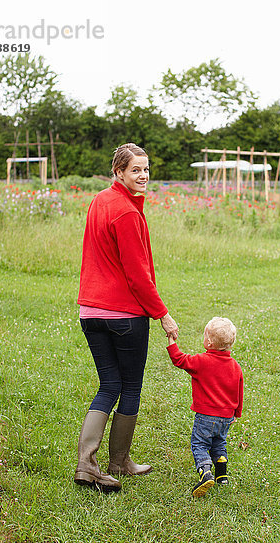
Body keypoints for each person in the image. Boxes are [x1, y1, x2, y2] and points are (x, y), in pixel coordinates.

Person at [75, 142, 179, 493]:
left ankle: (86, 464)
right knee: (129, 386)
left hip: (90, 311)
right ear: (118, 172)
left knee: (109, 385)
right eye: (136, 169)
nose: (144, 175)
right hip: (123, 315)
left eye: (146, 169)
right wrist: (163, 315)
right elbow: (137, 276)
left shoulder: (100, 201)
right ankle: (117, 462)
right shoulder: (128, 212)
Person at [167, 317, 243, 498]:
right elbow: (239, 392)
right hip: (226, 417)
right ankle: (222, 474)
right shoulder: (236, 367)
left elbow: (179, 359)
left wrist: (171, 341)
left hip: (206, 416)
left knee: (200, 444)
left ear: (209, 342)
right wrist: (236, 414)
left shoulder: (202, 361)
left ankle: (205, 472)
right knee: (219, 442)